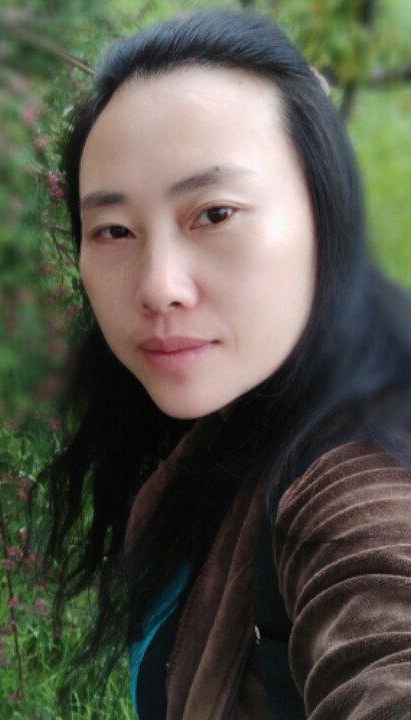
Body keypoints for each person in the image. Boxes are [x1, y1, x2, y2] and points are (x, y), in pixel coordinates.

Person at [41, 8, 411, 720]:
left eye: (214, 214)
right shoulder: (239, 410)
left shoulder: (364, 480)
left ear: (325, 213)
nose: (158, 287)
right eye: (114, 230)